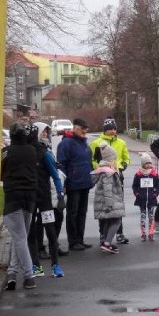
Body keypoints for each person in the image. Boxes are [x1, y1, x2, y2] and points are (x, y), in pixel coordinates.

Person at [1, 123, 39, 290]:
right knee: (21, 237)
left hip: (13, 198)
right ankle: (11, 273)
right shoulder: (32, 151)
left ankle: (29, 276)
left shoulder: (6, 152)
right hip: (30, 197)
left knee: (19, 238)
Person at [27, 123, 65, 278]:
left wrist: (60, 194)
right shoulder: (28, 152)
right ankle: (36, 265)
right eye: (43, 133)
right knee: (32, 233)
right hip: (30, 198)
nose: (46, 136)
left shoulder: (45, 153)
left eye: (47, 133)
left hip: (44, 198)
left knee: (50, 231)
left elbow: (55, 175)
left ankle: (55, 265)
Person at [90, 117, 131, 244]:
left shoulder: (121, 142)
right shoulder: (96, 143)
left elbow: (126, 158)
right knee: (104, 206)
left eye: (114, 129)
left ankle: (119, 233)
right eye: (110, 129)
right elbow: (92, 160)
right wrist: (101, 168)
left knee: (118, 206)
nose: (113, 131)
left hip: (118, 176)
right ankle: (103, 234)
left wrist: (123, 165)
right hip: (104, 176)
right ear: (105, 130)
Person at [57, 117, 94, 251]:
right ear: (75, 128)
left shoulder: (84, 142)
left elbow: (88, 161)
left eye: (86, 130)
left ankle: (80, 239)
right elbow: (61, 164)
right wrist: (64, 184)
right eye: (83, 129)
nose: (85, 132)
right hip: (73, 184)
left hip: (85, 182)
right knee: (73, 213)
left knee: (82, 213)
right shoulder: (66, 143)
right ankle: (73, 242)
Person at [92, 142, 126, 254]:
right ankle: (107, 243)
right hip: (110, 201)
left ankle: (105, 241)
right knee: (116, 221)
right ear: (110, 159)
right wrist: (109, 204)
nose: (115, 161)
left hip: (107, 201)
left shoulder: (104, 169)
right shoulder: (108, 172)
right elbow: (107, 189)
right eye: (114, 159)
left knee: (108, 221)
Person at [132, 152, 159, 241]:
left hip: (151, 199)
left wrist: (155, 194)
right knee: (143, 217)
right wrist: (137, 194)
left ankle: (151, 233)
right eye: (146, 163)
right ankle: (143, 234)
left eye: (149, 163)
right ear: (143, 164)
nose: (148, 165)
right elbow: (134, 186)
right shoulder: (138, 174)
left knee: (151, 216)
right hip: (142, 199)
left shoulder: (154, 174)